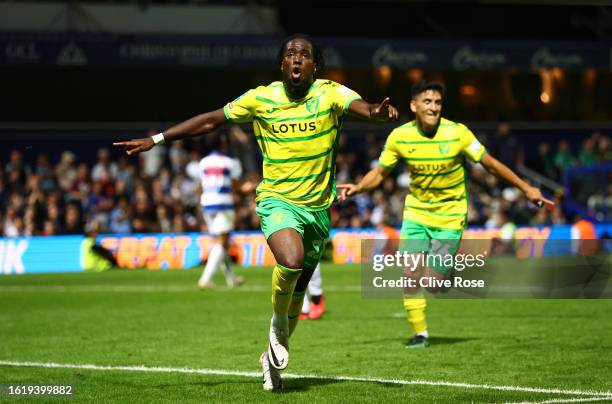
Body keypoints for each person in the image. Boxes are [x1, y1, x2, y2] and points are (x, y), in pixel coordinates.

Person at [114, 34, 398, 391]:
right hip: (277, 201)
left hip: (317, 209)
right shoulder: (261, 98)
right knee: (290, 261)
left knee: (298, 293)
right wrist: (157, 140)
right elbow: (211, 120)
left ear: (315, 66)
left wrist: (377, 112)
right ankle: (277, 323)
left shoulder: (331, 93)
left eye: (304, 55)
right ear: (282, 65)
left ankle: (270, 356)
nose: (296, 58)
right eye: (290, 54)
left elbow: (364, 108)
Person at [338, 80, 553, 348]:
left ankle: (444, 273)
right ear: (413, 106)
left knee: (433, 282)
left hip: (450, 215)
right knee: (410, 274)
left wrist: (526, 187)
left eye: (438, 103)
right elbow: (380, 173)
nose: (434, 107)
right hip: (417, 213)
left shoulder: (458, 133)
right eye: (427, 102)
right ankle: (420, 334)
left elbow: (491, 165)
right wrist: (358, 187)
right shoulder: (400, 136)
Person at [197, 132, 245, 289]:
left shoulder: (203, 162)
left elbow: (201, 183)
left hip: (207, 203)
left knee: (222, 243)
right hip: (223, 202)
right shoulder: (229, 162)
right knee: (222, 242)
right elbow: (237, 185)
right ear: (222, 144)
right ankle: (205, 279)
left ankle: (231, 279)